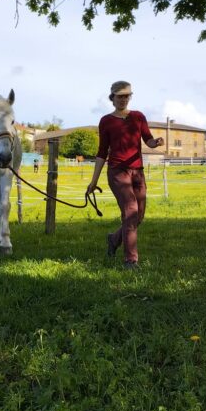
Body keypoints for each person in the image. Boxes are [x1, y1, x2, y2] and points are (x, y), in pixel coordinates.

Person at [85, 80, 164, 269]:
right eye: (120, 96)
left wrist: (157, 142)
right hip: (117, 172)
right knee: (130, 212)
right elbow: (102, 152)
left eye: (127, 96)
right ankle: (131, 260)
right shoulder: (106, 121)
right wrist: (93, 181)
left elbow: (148, 141)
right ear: (112, 98)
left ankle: (113, 239)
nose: (123, 99)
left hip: (137, 171)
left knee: (139, 215)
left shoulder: (138, 117)